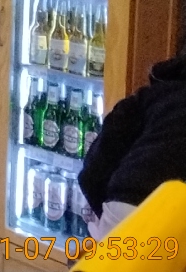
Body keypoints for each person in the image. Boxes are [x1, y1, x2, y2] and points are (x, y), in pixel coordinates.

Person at [79, 55, 186, 237]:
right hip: (160, 213)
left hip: (126, 205)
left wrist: (109, 209)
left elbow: (92, 172)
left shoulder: (155, 96)